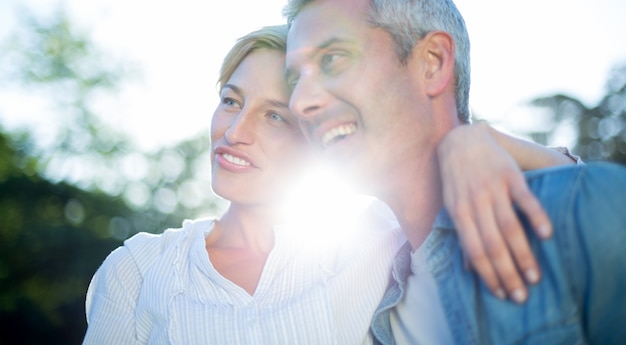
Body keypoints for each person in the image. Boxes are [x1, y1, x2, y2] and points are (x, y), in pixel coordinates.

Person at [82, 25, 576, 344]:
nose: (234, 132)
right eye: (231, 101)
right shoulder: (140, 269)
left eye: (275, 117)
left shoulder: (375, 239)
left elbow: (568, 191)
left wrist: (478, 140)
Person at [283, 0, 626, 344]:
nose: (299, 102)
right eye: (294, 79)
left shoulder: (573, 218)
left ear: (433, 62)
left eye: (333, 59)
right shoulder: (373, 305)